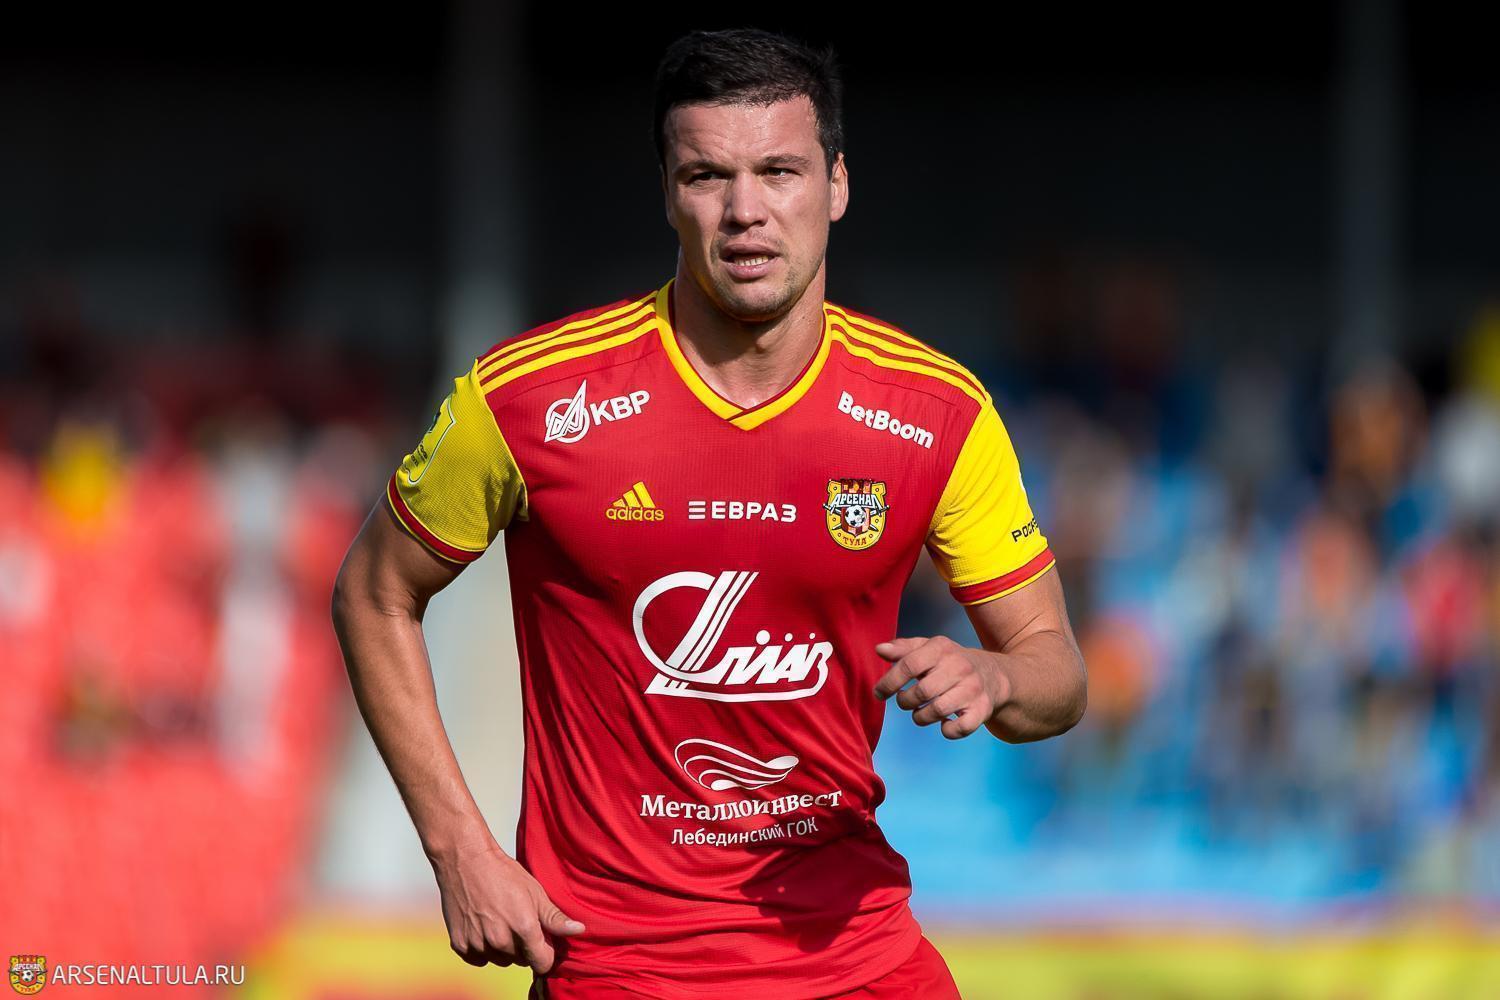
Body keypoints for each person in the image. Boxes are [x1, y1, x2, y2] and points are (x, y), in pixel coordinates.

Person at [331, 27, 1087, 1000]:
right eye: (707, 176)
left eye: (779, 171)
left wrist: (996, 674)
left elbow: (1057, 672)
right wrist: (457, 849)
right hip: (619, 966)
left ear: (837, 185)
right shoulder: (529, 401)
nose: (745, 211)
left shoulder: (937, 413)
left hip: (856, 957)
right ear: (666, 192)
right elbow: (373, 592)